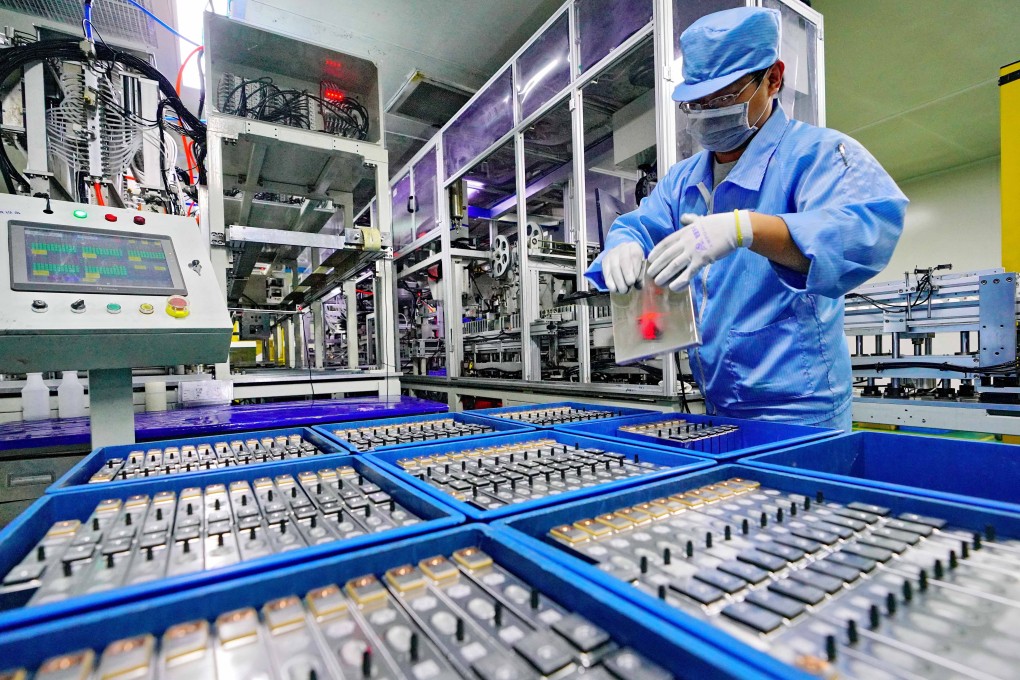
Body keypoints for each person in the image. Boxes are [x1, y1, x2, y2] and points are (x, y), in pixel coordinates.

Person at [586, 6, 907, 431]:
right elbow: (639, 225)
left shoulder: (817, 156)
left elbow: (864, 234)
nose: (708, 113)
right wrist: (622, 242)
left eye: (723, 98)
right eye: (696, 104)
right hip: (719, 403)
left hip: (802, 411)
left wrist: (747, 229)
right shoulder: (683, 180)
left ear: (773, 78)